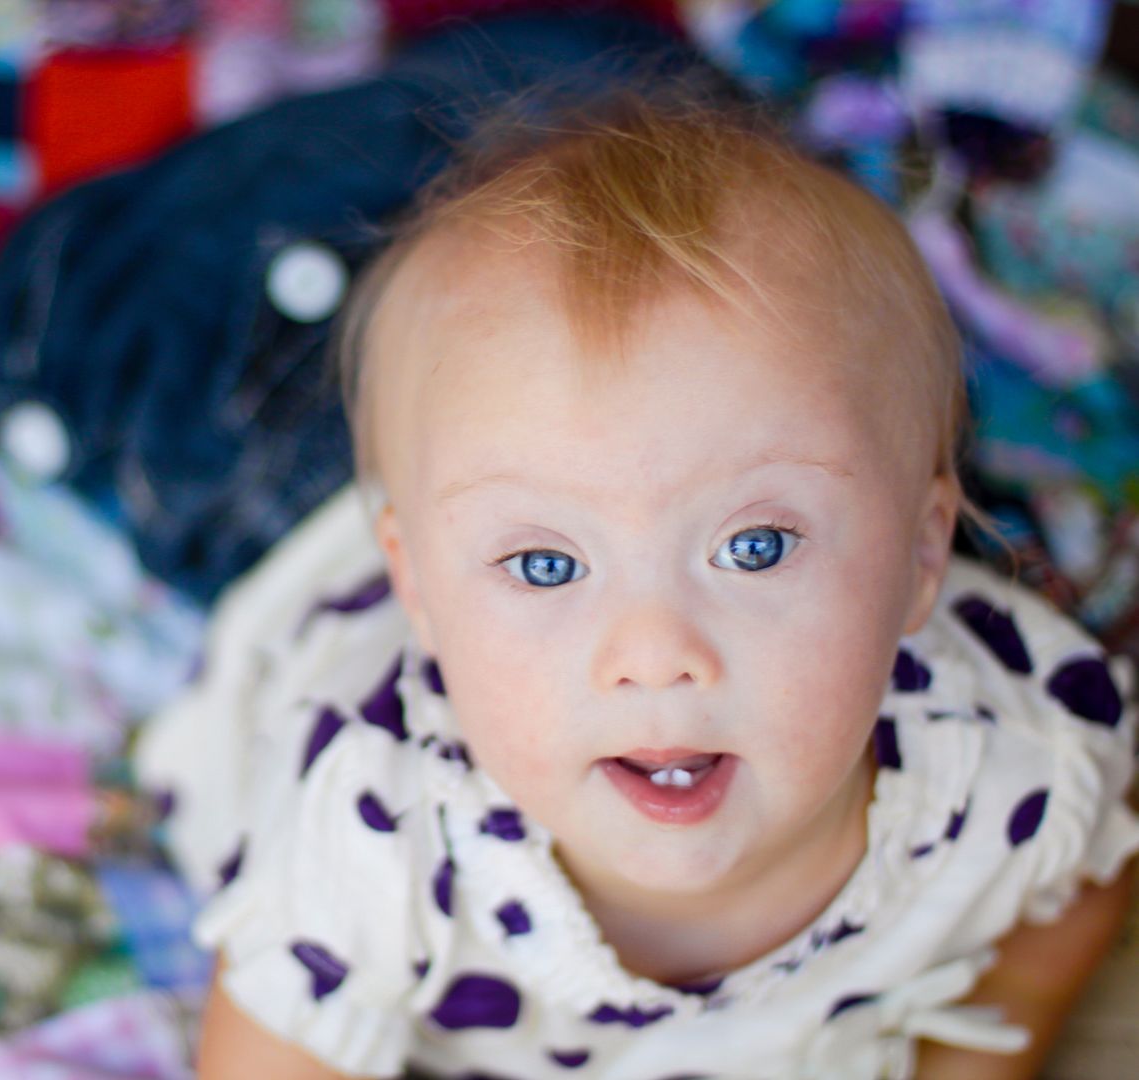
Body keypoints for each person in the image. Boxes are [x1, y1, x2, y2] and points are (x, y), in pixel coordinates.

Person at [134, 87, 1139, 1079]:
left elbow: (1089, 874)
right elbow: (274, 1050)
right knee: (174, 396)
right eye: (545, 566)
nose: (654, 654)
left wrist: (979, 1050)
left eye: (755, 548)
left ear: (924, 556)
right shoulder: (372, 820)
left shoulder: (1017, 748)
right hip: (313, 579)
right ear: (424, 595)